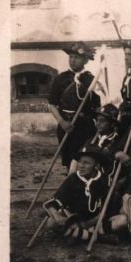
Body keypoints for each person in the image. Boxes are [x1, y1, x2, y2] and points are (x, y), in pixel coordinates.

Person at [42, 144, 112, 245]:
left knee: (121, 221)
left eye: (86, 163)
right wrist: (57, 216)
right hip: (74, 219)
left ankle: (77, 234)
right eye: (79, 161)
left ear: (96, 166)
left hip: (95, 220)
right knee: (51, 223)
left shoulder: (105, 181)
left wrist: (86, 224)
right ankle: (97, 238)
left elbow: (106, 211)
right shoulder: (73, 179)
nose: (81, 166)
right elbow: (54, 202)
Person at [48, 42, 100, 174]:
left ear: (85, 60)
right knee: (68, 160)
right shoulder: (60, 79)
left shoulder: (91, 80)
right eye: (71, 57)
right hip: (65, 126)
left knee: (83, 160)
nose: (73, 60)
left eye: (77, 57)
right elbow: (51, 105)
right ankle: (70, 181)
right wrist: (62, 122)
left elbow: (97, 107)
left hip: (84, 127)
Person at [90, 104, 121, 182]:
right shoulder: (93, 139)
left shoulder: (117, 141)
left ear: (112, 124)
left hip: (105, 180)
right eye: (97, 120)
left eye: (102, 121)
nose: (98, 123)